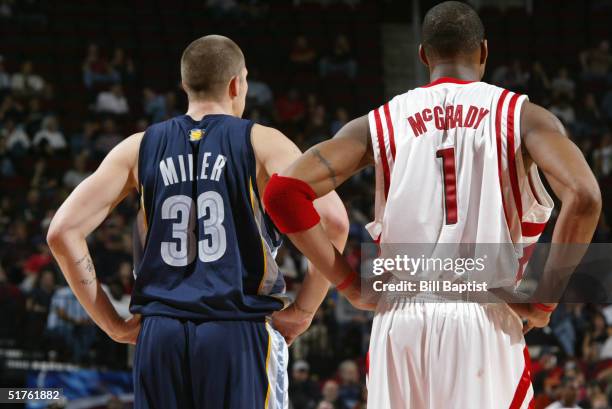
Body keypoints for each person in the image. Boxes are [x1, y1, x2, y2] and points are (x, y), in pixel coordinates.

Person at [263, 2, 601, 408]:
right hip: (483, 311)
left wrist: (350, 287)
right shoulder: (524, 117)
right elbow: (584, 198)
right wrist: (546, 301)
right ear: (485, 52)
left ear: (423, 55)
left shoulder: (380, 122)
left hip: (400, 319)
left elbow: (282, 194)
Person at [46, 35, 348, 409]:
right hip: (235, 328)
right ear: (238, 83)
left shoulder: (137, 147)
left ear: (185, 83)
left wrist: (112, 323)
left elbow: (62, 232)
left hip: (160, 335)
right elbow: (334, 222)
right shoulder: (266, 143)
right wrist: (302, 311)